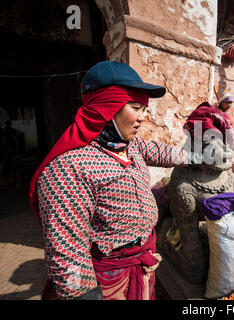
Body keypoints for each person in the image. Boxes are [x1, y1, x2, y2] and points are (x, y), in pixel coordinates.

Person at [29, 61, 190, 300]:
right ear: (107, 108)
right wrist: (84, 294)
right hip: (108, 282)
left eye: (143, 109)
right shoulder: (69, 167)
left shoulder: (129, 146)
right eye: (135, 107)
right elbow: (67, 251)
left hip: (142, 265)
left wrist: (196, 157)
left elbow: (160, 152)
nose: (142, 117)